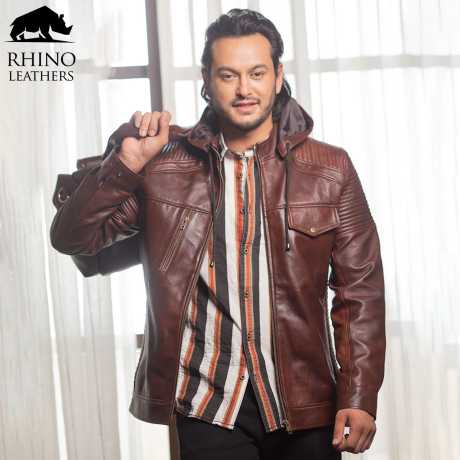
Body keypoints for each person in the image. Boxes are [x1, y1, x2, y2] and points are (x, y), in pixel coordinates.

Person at [50, 8, 386, 460]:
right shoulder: (165, 166)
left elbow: (360, 289)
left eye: (257, 73)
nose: (244, 89)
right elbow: (74, 239)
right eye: (229, 75)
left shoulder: (330, 168)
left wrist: (359, 395)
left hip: (307, 402)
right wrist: (127, 163)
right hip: (207, 402)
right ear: (206, 81)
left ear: (278, 76)